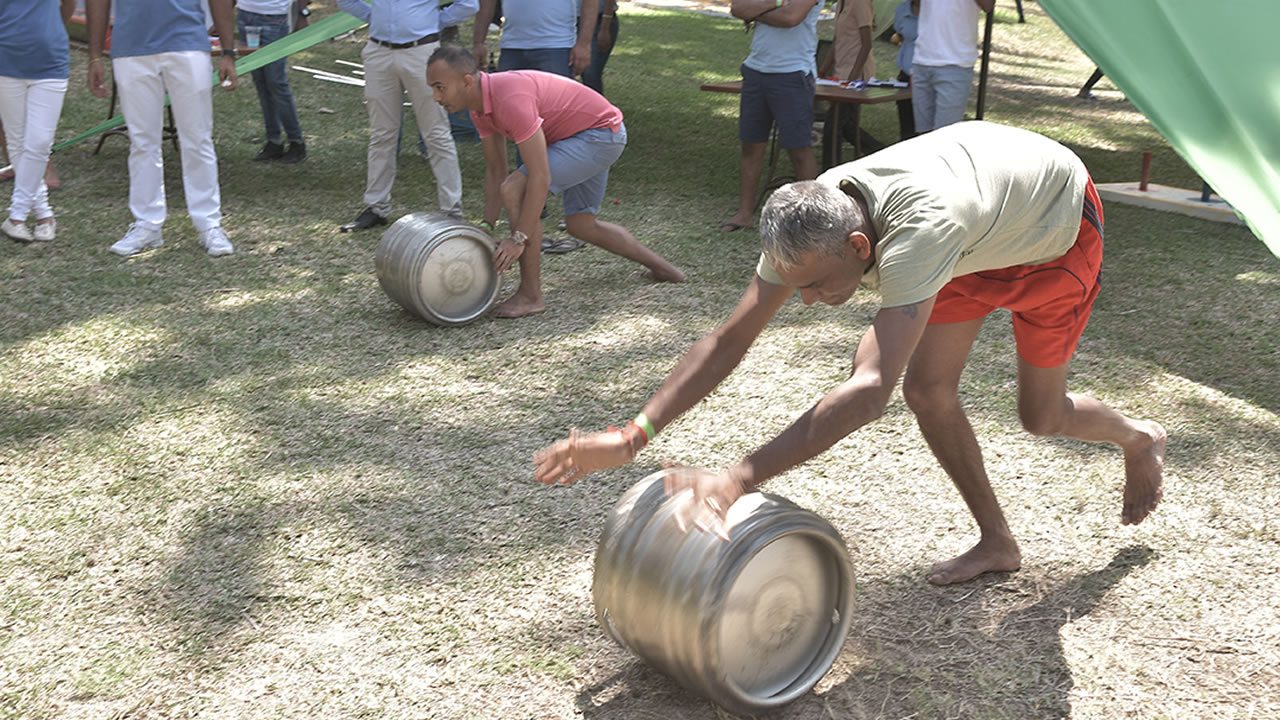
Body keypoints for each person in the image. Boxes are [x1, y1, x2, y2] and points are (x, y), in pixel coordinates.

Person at [533, 121, 1167, 586]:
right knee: (928, 391)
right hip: (979, 226)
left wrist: (736, 479)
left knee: (1041, 414)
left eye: (815, 285)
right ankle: (998, 542)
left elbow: (869, 393)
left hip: (1051, 231)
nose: (805, 301)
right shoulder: (808, 221)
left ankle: (1139, 438)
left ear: (862, 246)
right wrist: (631, 436)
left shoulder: (922, 232)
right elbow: (730, 339)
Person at [427, 46, 685, 319]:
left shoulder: (509, 98)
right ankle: (665, 270)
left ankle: (531, 295)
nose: (435, 97)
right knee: (581, 225)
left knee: (516, 188)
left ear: (467, 81)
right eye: (433, 88)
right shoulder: (479, 108)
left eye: (440, 87)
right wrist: (485, 227)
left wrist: (518, 239)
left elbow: (539, 177)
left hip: (599, 135)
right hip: (587, 134)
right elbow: (495, 171)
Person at [86, 0, 239, 257]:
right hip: (130, 48)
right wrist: (93, 57)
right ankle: (147, 223)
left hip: (187, 44)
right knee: (142, 141)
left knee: (197, 138)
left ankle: (209, 223)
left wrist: (228, 51)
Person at [335, 0, 476, 232]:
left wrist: (434, 21)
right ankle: (376, 207)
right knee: (381, 134)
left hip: (422, 52)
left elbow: (469, 4)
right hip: (379, 51)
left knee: (436, 134)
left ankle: (452, 211)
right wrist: (375, 18)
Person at [719, 0, 823, 233]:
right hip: (755, 70)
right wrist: (777, 4)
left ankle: (811, 219)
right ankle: (745, 214)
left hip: (793, 74)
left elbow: (791, 18)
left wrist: (757, 12)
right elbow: (738, 8)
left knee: (798, 149)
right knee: (751, 146)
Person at [0, 0, 75, 243]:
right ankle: (43, 215)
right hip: (6, 61)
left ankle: (17, 215)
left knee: (40, 142)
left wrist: (47, 30)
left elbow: (69, 5)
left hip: (50, 61)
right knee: (17, 140)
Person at [237, 0, 307, 163]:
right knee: (261, 82)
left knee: (276, 82)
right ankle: (274, 142)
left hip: (274, 17)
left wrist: (302, 13)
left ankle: (296, 142)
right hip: (245, 15)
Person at [911, 0, 993, 133]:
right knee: (922, 136)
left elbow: (988, 5)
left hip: (955, 63)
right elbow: (917, 5)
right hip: (922, 60)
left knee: (944, 137)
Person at [818, 0, 883, 156]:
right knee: (847, 126)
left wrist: (853, 77)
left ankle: (829, 170)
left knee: (832, 126)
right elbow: (836, 41)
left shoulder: (860, 2)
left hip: (856, 74)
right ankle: (881, 152)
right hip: (841, 73)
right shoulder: (841, 4)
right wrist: (822, 70)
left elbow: (866, 44)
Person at [472, 0, 596, 78]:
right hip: (512, 47)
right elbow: (486, 3)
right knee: (511, 110)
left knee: (555, 110)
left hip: (556, 47)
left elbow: (591, 2)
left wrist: (584, 44)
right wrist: (478, 42)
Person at [891, 0, 919, 139]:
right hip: (906, 75)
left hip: (930, 75)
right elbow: (899, 35)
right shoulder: (901, 9)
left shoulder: (936, 10)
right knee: (907, 129)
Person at [582, 0, 619, 95]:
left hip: (600, 21)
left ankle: (596, 108)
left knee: (590, 73)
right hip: (569, 21)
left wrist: (604, 28)